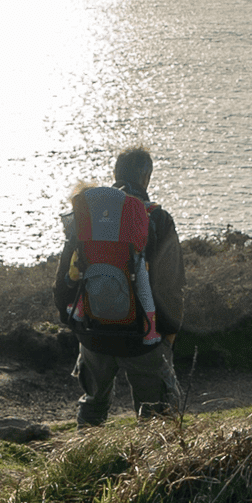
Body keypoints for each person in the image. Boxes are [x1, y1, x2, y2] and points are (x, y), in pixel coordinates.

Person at [52, 146, 185, 426]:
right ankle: (153, 468)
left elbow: (64, 274)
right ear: (146, 176)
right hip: (143, 338)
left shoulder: (86, 214)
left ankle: (82, 462)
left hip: (93, 330)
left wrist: (71, 320)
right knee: (156, 417)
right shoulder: (158, 219)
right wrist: (169, 335)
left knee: (92, 407)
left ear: (115, 173)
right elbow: (172, 286)